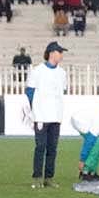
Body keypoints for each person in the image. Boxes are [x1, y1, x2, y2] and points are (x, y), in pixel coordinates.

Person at [26, 41, 68, 188]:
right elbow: (29, 91)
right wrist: (34, 110)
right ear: (51, 53)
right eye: (59, 52)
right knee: (40, 147)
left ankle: (49, 177)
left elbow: (62, 91)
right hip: (41, 116)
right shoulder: (37, 71)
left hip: (56, 116)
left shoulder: (62, 73)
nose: (61, 55)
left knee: (52, 148)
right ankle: (37, 177)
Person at [71, 110, 99, 181]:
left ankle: (92, 172)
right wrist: (82, 160)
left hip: (86, 121)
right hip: (81, 122)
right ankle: (85, 172)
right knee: (96, 144)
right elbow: (88, 143)